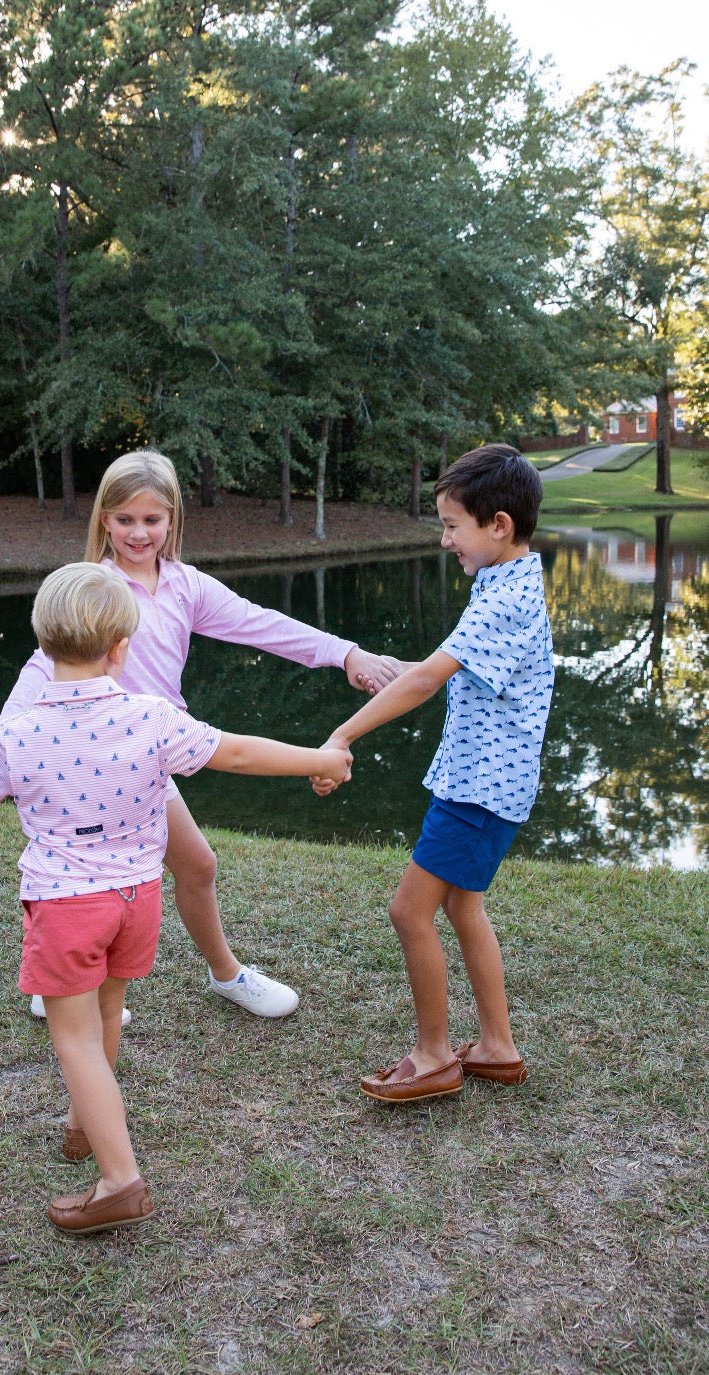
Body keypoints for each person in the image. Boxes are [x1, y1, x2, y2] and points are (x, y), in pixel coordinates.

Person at [0, 562, 351, 1234]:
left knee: (72, 1038)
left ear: (43, 646)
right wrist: (318, 758)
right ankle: (86, 1118)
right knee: (106, 1014)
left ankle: (119, 1179)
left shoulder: (18, 728)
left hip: (66, 905)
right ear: (120, 649)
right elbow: (242, 753)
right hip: (136, 900)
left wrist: (3, 766)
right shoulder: (151, 716)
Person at [1, 448, 399, 1023]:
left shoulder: (184, 587)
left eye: (152, 519)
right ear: (103, 521)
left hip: (148, 761)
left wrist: (345, 654)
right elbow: (47, 663)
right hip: (90, 764)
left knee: (194, 866)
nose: (139, 533)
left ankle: (224, 976)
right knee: (72, 865)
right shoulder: (94, 590)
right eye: (124, 519)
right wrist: (9, 742)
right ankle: (58, 983)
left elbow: (262, 623)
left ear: (172, 519)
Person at [314, 444, 554, 1103]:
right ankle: (497, 1047)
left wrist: (343, 731)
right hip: (483, 782)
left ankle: (433, 1055)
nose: (445, 539)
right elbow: (437, 670)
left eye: (452, 525)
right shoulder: (508, 578)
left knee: (408, 910)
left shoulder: (501, 600)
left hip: (479, 790)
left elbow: (425, 680)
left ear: (497, 525)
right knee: (460, 904)